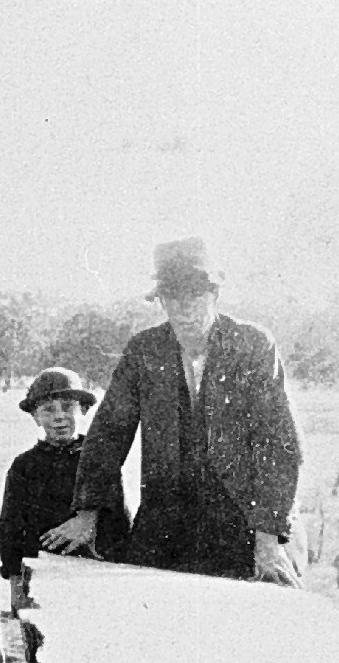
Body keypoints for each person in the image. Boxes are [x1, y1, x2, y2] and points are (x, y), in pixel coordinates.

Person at [46, 237, 304, 584]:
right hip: (166, 521)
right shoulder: (145, 351)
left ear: (214, 294)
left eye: (195, 296)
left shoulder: (251, 345)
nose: (184, 310)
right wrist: (87, 514)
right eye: (172, 298)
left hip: (242, 522)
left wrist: (268, 538)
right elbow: (109, 433)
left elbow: (279, 443)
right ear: (161, 301)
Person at [0, 367, 130, 613]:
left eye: (68, 407)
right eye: (48, 410)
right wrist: (16, 587)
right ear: (35, 417)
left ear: (83, 410)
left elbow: (119, 521)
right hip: (42, 575)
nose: (59, 417)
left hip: (94, 574)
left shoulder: (99, 460)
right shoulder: (24, 466)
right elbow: (11, 531)